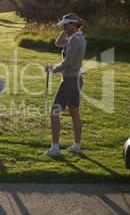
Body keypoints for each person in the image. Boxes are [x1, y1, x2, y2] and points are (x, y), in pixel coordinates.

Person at [43, 13, 86, 157]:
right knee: (74, 113)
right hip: (75, 80)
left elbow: (67, 62)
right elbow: (58, 43)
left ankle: (55, 149)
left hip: (70, 81)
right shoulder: (76, 38)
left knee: (53, 113)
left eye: (66, 25)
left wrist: (52, 70)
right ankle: (76, 146)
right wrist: (64, 30)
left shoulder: (75, 40)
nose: (64, 27)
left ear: (74, 25)